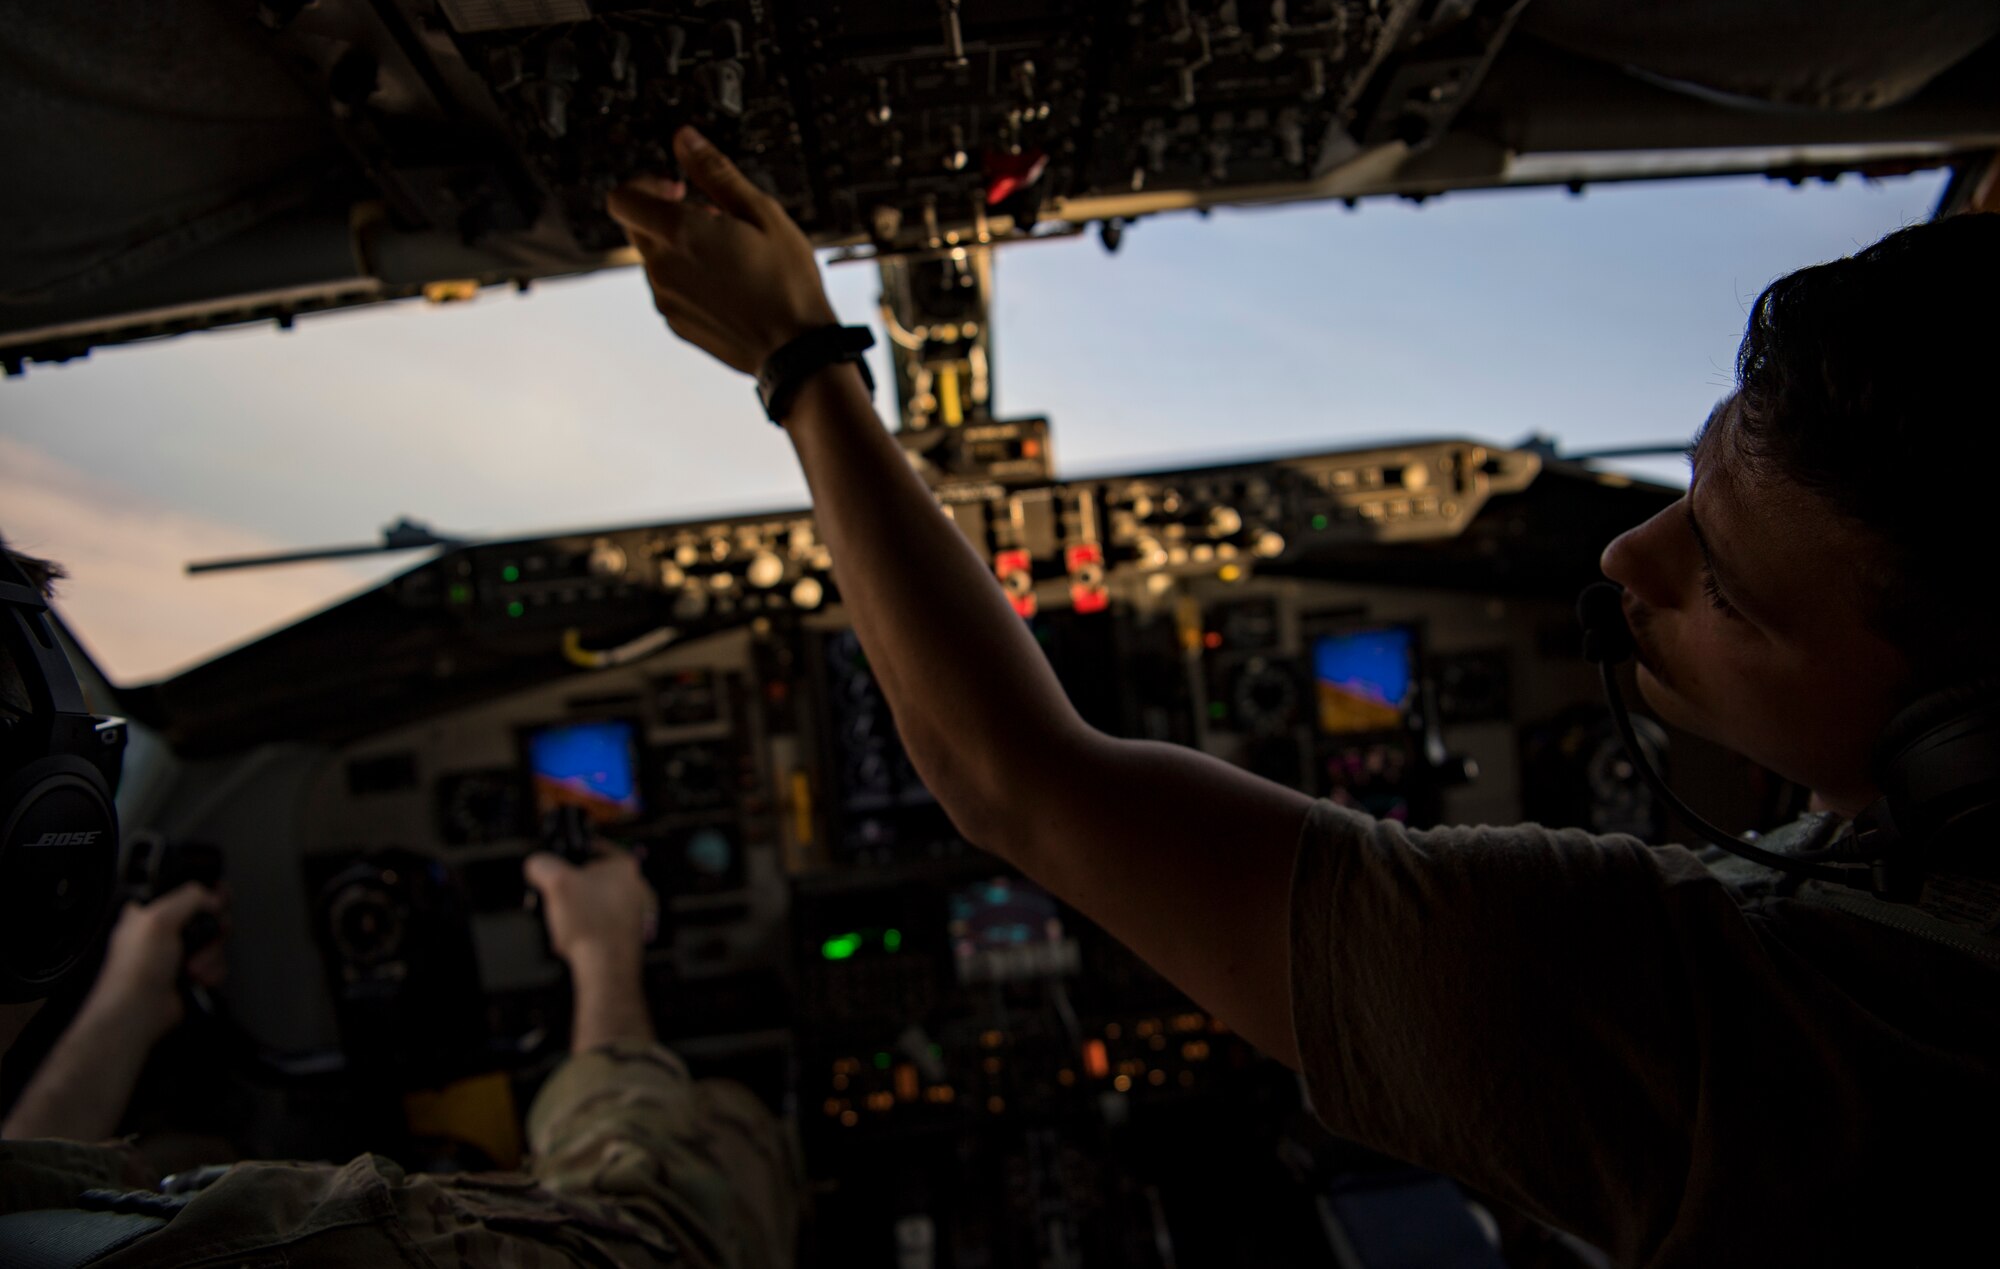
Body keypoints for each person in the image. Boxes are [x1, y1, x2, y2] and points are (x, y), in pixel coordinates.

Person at [605, 129, 2000, 1267]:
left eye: (1730, 586)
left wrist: (798, 356)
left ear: (1969, 736)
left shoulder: (1771, 1049)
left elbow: (1012, 779)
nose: (1629, 555)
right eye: (1687, 488)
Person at [0, 541, 799, 1267]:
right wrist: (603, 956)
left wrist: (132, 1004)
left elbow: (22, 1164)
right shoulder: (284, 1246)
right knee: (728, 1116)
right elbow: (658, 1241)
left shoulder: (30, 1215)